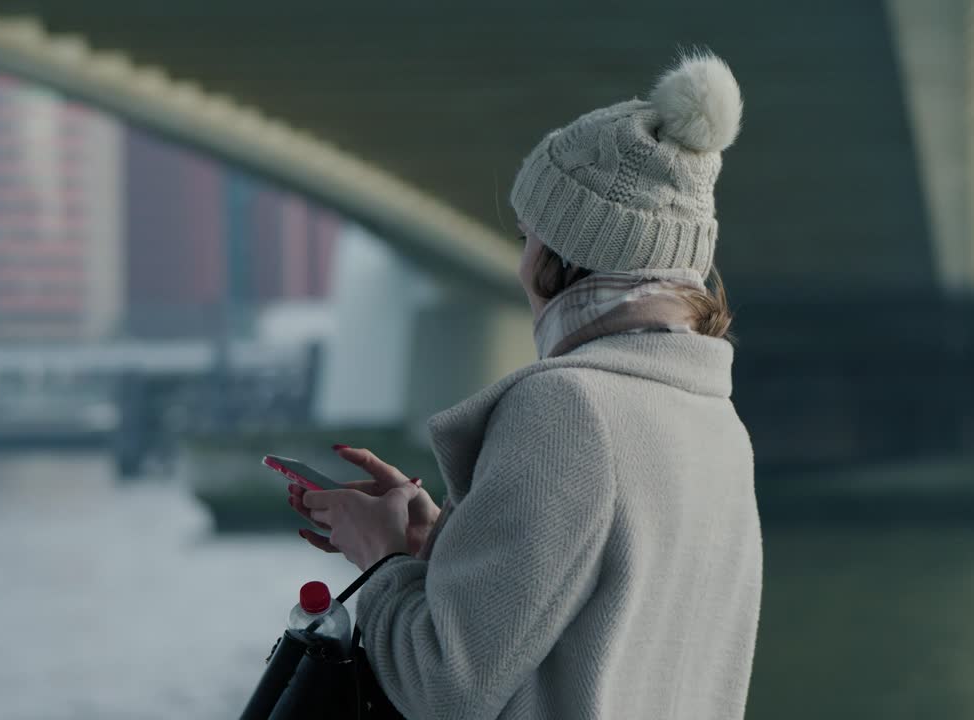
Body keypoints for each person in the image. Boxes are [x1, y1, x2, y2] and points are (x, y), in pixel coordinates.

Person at [286, 51, 762, 719]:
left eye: (526, 235)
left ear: (562, 255)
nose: (519, 262)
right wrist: (447, 545)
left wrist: (382, 558)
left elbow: (444, 686)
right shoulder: (715, 422)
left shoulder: (567, 410)